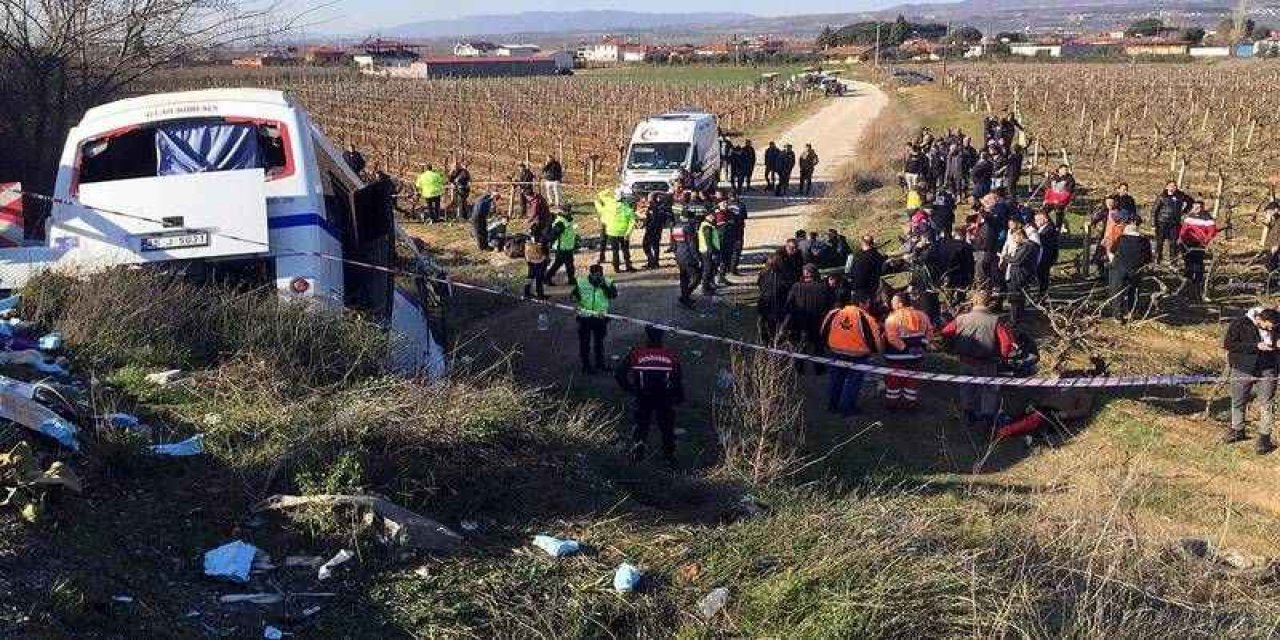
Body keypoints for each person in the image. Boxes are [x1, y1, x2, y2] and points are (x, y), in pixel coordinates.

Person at [941, 290, 1017, 428]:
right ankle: (987, 417)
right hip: (987, 361)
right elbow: (1006, 342)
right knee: (989, 389)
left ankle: (968, 413)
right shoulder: (995, 321)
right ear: (989, 303)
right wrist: (1004, 358)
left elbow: (945, 331)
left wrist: (950, 346)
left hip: (965, 360)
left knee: (966, 386)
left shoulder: (961, 319)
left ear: (974, 302)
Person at [616, 326, 685, 467]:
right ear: (662, 337)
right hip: (664, 398)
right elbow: (677, 378)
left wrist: (630, 388)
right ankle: (669, 457)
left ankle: (637, 454)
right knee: (667, 427)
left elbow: (619, 373)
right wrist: (678, 396)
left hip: (643, 396)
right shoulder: (670, 355)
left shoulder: (636, 353)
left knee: (641, 426)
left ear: (646, 336)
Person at [1223, 306, 1280, 454]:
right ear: (1259, 319)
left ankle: (1264, 438)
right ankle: (1237, 429)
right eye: (1267, 327)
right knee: (1238, 400)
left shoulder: (1276, 324)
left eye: (1272, 328)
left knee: (1267, 403)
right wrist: (1255, 346)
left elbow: (1276, 342)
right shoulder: (1240, 323)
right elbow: (1229, 345)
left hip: (1268, 369)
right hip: (1242, 367)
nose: (1270, 330)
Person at [820, 291, 884, 415]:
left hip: (836, 351)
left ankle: (833, 405)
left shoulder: (835, 313)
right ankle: (847, 408)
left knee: (835, 379)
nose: (869, 306)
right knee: (853, 382)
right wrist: (875, 351)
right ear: (862, 303)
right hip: (857, 355)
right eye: (868, 303)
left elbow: (824, 329)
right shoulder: (866, 318)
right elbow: (875, 339)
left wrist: (828, 345)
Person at [883, 292, 933, 410]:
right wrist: (922, 346)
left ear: (900, 303)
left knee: (893, 382)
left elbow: (892, 338)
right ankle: (910, 404)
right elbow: (929, 334)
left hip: (895, 357)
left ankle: (892, 405)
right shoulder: (922, 315)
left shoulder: (892, 317)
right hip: (916, 356)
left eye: (893, 302)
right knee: (912, 381)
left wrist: (905, 349)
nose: (891, 303)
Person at [783, 264, 834, 374]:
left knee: (801, 346)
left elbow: (789, 305)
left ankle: (799, 368)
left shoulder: (797, 287)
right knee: (818, 347)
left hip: (800, 322)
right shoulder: (823, 288)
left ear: (805, 273)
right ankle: (819, 368)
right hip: (818, 322)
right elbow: (830, 305)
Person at [571, 264, 618, 374]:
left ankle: (600, 364)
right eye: (595, 275)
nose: (597, 277)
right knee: (584, 343)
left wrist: (604, 286)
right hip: (585, 318)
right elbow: (573, 296)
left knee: (599, 342)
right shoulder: (581, 282)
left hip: (600, 317)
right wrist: (574, 299)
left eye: (599, 275)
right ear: (590, 274)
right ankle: (586, 365)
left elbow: (613, 295)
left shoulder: (607, 282)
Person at [1107, 223, 1152, 321]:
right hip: (1136, 269)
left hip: (1120, 268)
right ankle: (1132, 311)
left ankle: (1117, 315)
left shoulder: (1121, 239)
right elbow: (1148, 259)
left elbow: (1112, 251)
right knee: (1134, 290)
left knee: (1117, 291)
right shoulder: (1145, 241)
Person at [1178, 201, 1217, 301]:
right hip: (1187, 244)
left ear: (1202, 208)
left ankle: (1198, 283)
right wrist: (1181, 239)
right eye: (1195, 207)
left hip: (1199, 244)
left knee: (1198, 263)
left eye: (1198, 207)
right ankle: (1188, 283)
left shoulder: (1207, 218)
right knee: (1188, 263)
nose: (1196, 209)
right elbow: (1183, 229)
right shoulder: (1189, 217)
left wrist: (1205, 241)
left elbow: (1212, 231)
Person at [1002, 228, 1038, 326]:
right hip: (1019, 274)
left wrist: (1005, 257)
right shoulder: (1025, 246)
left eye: (1015, 237)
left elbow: (1017, 260)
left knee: (1015, 298)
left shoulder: (1027, 246)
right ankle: (1018, 318)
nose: (1014, 240)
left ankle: (1013, 320)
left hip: (1020, 275)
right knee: (1019, 298)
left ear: (1020, 235)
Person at [756, 253, 794, 344]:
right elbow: (787, 289)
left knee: (765, 329)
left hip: (765, 305)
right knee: (775, 330)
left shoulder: (763, 273)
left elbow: (760, 285)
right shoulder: (784, 276)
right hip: (776, 306)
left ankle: (765, 345)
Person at [1151, 181, 1192, 264]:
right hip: (1162, 222)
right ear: (1166, 187)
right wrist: (1153, 223)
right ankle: (1157, 259)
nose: (1173, 187)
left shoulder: (1180, 195)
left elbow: (1190, 201)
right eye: (1170, 186)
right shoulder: (1162, 196)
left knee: (1173, 242)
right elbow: (1154, 211)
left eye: (1174, 186)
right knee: (1159, 242)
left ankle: (1173, 261)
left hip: (1174, 223)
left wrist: (1184, 211)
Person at [671, 210, 702, 307]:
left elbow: (673, 244)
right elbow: (692, 245)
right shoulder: (689, 228)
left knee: (684, 278)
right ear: (689, 218)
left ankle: (685, 297)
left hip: (679, 255)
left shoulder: (675, 227)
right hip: (688, 256)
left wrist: (676, 255)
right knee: (697, 277)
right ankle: (685, 297)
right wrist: (698, 258)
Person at [604, 190, 636, 273]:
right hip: (624, 233)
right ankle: (628, 266)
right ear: (623, 198)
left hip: (611, 232)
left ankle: (616, 268)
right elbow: (632, 222)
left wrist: (608, 226)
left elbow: (604, 218)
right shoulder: (627, 208)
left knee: (615, 251)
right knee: (625, 250)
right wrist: (628, 233)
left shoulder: (609, 207)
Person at [546, 205, 578, 286]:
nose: (570, 212)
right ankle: (547, 278)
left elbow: (570, 233)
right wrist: (550, 245)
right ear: (563, 212)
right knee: (560, 264)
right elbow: (552, 236)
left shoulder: (568, 220)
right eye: (568, 211)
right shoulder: (560, 223)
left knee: (568, 264)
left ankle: (571, 279)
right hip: (562, 248)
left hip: (568, 247)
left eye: (569, 210)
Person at [846, 235, 884, 300]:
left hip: (861, 288)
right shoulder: (877, 255)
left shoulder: (859, 257)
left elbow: (854, 272)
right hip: (872, 286)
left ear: (863, 242)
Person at [641, 191, 672, 269]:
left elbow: (649, 219)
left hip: (651, 229)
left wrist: (645, 222)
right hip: (658, 229)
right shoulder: (662, 207)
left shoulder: (652, 207)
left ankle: (651, 262)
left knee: (646, 245)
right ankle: (655, 262)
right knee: (656, 246)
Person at [1033, 212, 1059, 296]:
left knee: (1043, 276)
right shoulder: (1042, 228)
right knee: (1040, 275)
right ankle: (1041, 293)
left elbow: (1044, 241)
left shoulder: (1049, 229)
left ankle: (1042, 294)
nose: (1035, 222)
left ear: (1045, 219)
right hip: (1042, 256)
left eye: (1037, 220)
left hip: (1046, 257)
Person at [1043, 165, 1076, 230]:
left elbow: (1067, 194)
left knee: (1058, 210)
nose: (1065, 171)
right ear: (1059, 170)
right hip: (1051, 200)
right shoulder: (1053, 178)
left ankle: (1058, 227)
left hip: (1061, 201)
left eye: (1066, 170)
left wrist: (1058, 200)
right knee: (1043, 212)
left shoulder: (1070, 179)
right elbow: (1048, 190)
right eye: (1063, 170)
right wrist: (1046, 199)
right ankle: (1051, 225)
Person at [697, 211, 721, 295]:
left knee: (709, 269)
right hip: (708, 252)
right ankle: (705, 288)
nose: (712, 216)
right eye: (710, 215)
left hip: (705, 251)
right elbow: (708, 242)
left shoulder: (707, 225)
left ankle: (708, 286)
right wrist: (713, 253)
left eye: (713, 215)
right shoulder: (707, 227)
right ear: (706, 216)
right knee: (708, 270)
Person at [522, 223, 549, 299]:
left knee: (529, 277)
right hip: (540, 261)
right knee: (539, 278)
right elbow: (545, 251)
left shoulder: (527, 238)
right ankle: (540, 294)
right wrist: (547, 259)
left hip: (530, 260)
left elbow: (525, 250)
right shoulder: (542, 238)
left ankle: (526, 292)